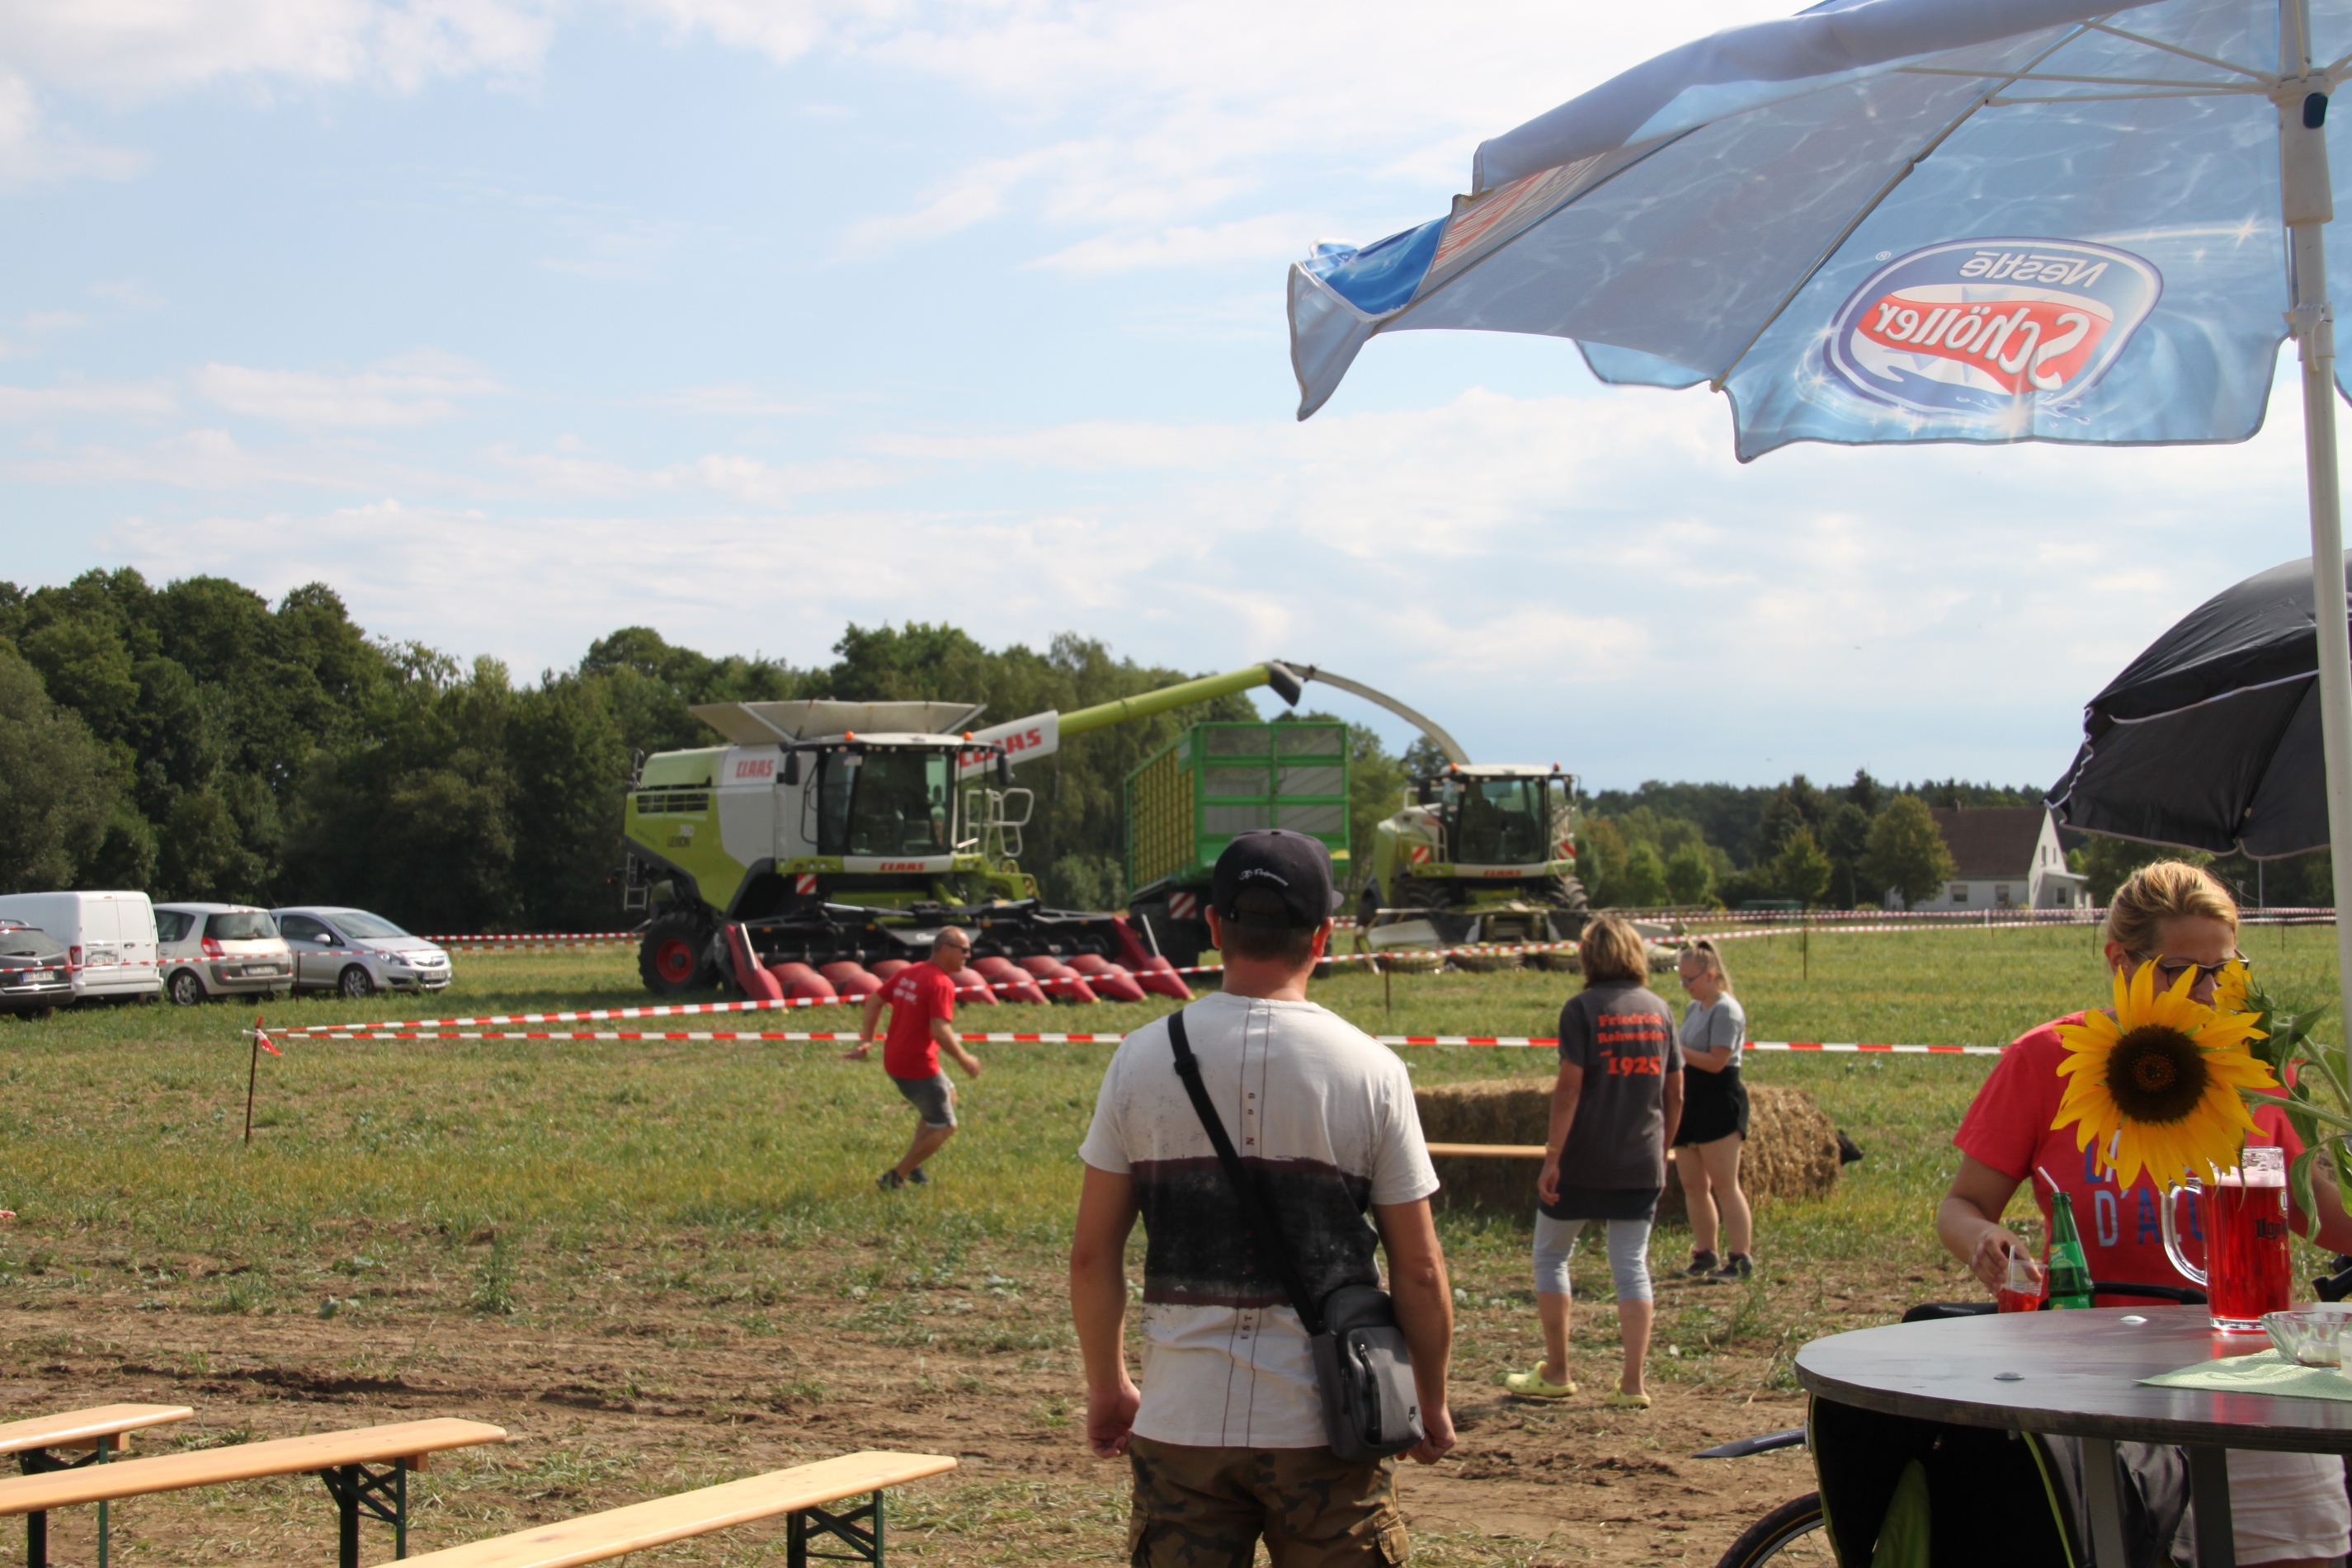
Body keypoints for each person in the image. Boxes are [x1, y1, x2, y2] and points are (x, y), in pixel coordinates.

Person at [1936, 860, 2352, 1568]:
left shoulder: (2254, 1068)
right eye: (2180, 972)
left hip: (2248, 1373)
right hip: (2099, 1380)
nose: (2207, 992)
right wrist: (1985, 1238)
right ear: (2119, 962)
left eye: (2223, 969)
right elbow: (1962, 1203)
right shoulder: (2048, 1060)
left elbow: (2328, 1222)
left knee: (2300, 1552)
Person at [1069, 829, 1456, 1568]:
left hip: (1181, 1419)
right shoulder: (1373, 1070)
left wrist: (1108, 1383)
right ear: (1323, 934)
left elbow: (1092, 1255)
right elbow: (1420, 1269)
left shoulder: (1138, 1058)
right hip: (1325, 1421)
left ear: (1214, 926)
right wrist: (1428, 1397)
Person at [1505, 913, 1684, 1409]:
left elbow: (1568, 1090)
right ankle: (1633, 1384)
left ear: (1589, 957)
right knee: (1631, 1266)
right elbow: (1675, 1094)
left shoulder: (1581, 1009)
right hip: (1640, 1162)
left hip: (1583, 1159)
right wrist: (1662, 1152)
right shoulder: (1661, 1010)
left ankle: (1558, 1371)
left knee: (1550, 1257)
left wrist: (1552, 1157)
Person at [842, 925, 983, 1189]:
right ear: (946, 949)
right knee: (945, 1126)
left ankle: (915, 1165)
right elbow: (940, 1030)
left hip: (896, 1059)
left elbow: (874, 1001)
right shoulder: (941, 983)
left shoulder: (910, 972)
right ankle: (896, 1177)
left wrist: (868, 1040)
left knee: (949, 1096)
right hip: (917, 1065)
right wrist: (965, 1060)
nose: (968, 955)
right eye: (964, 950)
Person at [1672, 939, 1752, 1283]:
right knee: (1693, 1185)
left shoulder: (1727, 1010)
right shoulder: (1694, 1009)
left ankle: (1741, 1257)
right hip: (1691, 1098)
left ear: (1711, 975)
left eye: (1690, 979)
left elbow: (1718, 1062)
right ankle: (1705, 1253)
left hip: (1718, 1098)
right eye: (1681, 978)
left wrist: (1676, 1049)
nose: (1685, 985)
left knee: (1725, 1184)